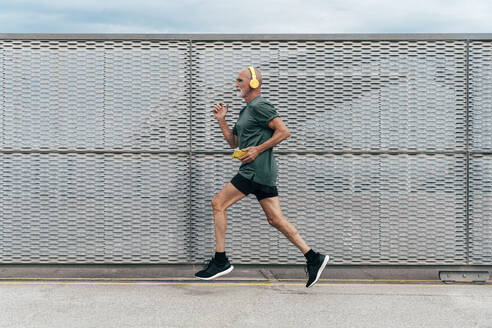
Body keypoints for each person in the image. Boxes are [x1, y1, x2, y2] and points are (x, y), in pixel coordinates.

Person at [195, 66, 329, 288]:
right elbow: (233, 143)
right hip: (261, 171)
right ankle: (313, 257)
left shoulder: (260, 105)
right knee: (275, 219)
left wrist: (258, 149)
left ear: (254, 83)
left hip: (254, 170)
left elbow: (284, 132)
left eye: (240, 80)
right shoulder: (245, 111)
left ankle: (221, 261)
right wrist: (221, 120)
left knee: (218, 203)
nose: (236, 84)